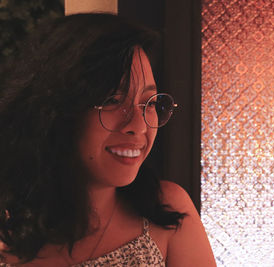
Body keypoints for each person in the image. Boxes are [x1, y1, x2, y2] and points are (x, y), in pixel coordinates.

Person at [0, 13, 216, 266]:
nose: (139, 126)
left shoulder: (167, 212)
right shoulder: (8, 237)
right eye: (112, 100)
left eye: (149, 103)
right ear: (58, 110)